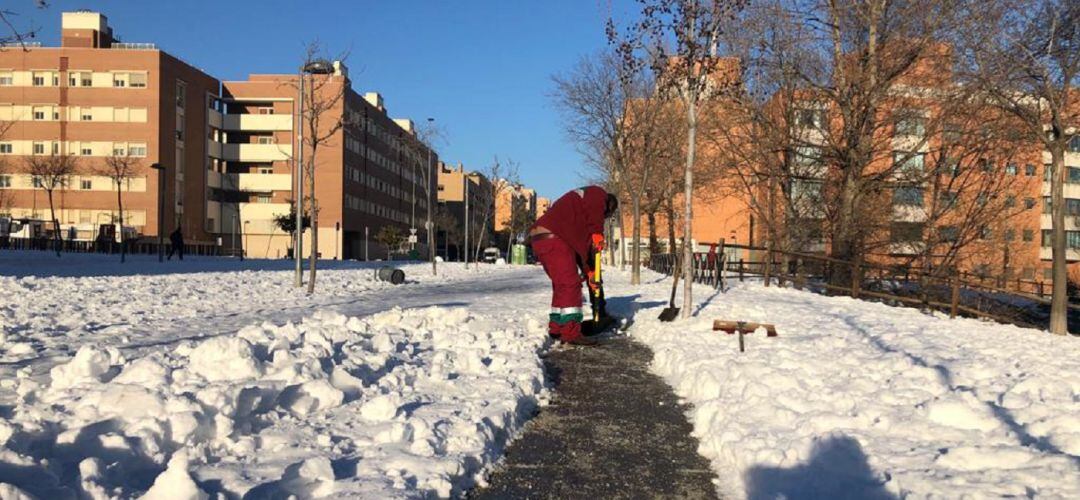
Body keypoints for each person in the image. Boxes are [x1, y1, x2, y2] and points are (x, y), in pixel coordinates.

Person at [528, 186, 618, 345]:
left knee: (561, 285)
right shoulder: (598, 194)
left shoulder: (577, 215)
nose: (604, 217)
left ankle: (557, 327)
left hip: (540, 238)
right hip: (554, 237)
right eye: (607, 214)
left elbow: (583, 252)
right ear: (608, 205)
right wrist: (598, 233)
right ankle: (571, 333)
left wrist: (590, 272)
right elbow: (596, 211)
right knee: (571, 285)